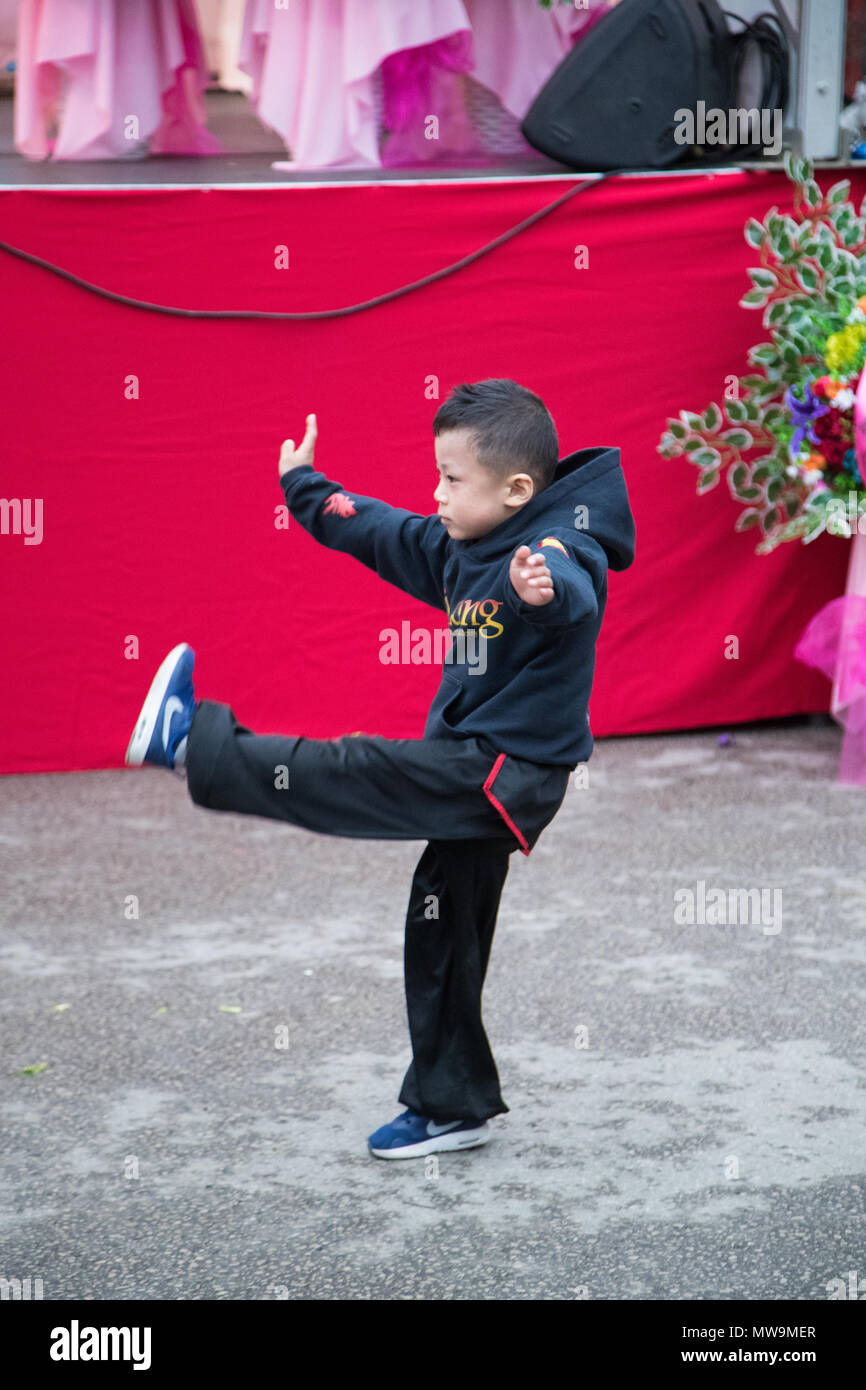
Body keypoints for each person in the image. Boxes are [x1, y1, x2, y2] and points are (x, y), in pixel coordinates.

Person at [124, 378, 636, 1159]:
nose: (435, 494)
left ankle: (190, 742)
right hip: (484, 768)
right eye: (437, 474)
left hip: (503, 774)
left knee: (355, 768)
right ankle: (452, 1105)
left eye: (452, 480)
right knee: (443, 925)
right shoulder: (461, 544)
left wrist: (543, 589)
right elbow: (378, 530)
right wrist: (305, 487)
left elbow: (572, 586)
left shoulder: (560, 543)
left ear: (518, 490)